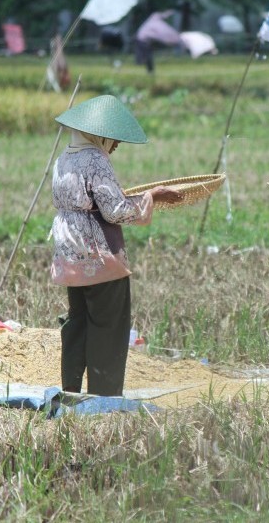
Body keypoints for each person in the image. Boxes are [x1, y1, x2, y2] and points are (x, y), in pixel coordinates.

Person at [49, 95, 181, 395]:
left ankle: (70, 388)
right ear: (97, 134)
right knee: (108, 326)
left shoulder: (64, 158)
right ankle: (104, 397)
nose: (117, 144)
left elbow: (87, 201)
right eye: (113, 138)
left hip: (70, 256)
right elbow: (115, 211)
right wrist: (153, 196)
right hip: (99, 258)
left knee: (78, 323)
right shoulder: (95, 159)